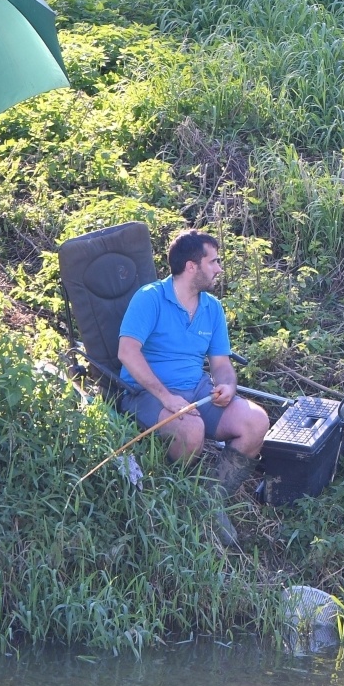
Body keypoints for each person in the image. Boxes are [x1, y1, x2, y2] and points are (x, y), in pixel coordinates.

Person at [116, 229, 269, 545]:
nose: (218, 268)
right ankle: (176, 496)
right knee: (191, 430)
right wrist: (166, 396)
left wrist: (226, 385)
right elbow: (126, 352)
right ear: (191, 266)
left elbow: (221, 364)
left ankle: (210, 500)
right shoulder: (150, 298)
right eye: (213, 261)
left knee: (256, 421)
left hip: (198, 390)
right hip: (144, 394)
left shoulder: (212, 308)